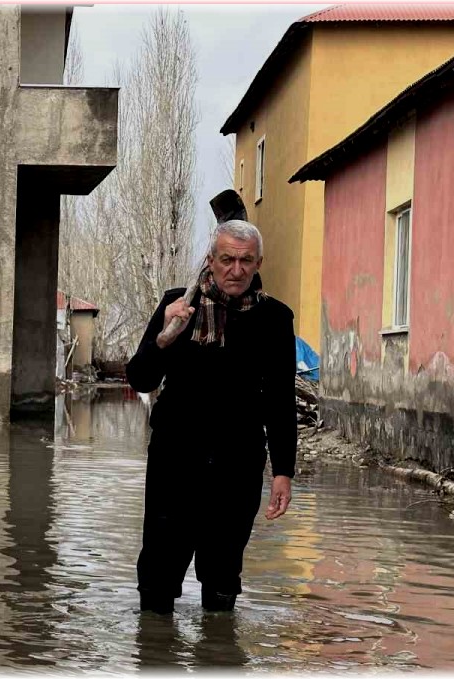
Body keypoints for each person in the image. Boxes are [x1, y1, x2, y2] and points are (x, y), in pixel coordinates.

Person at [125, 219, 295, 615]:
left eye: (246, 261)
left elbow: (280, 400)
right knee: (159, 570)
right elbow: (141, 378)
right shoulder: (179, 306)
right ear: (211, 260)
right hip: (175, 459)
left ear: (258, 263)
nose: (236, 270)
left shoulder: (273, 318)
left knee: (222, 574)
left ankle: (218, 652)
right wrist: (164, 338)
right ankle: (153, 653)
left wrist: (283, 470)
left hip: (239, 463)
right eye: (227, 259)